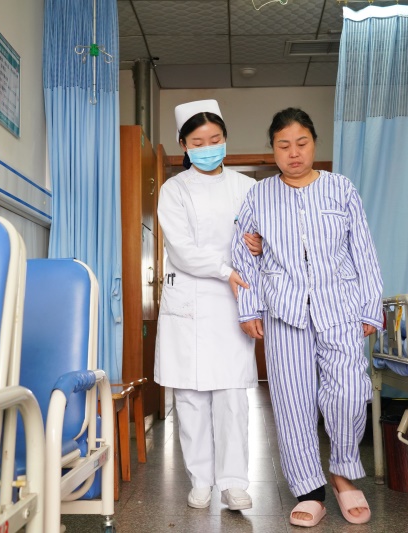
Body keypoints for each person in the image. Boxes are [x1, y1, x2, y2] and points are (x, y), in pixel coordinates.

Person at [231, 108, 383, 527]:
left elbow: (363, 250)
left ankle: (342, 472)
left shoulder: (340, 188)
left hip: (341, 307)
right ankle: (310, 491)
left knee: (350, 392)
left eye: (302, 143)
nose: (294, 153)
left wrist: (370, 307)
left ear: (314, 143)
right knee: (292, 402)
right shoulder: (259, 195)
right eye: (284, 145)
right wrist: (249, 307)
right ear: (273, 150)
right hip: (285, 311)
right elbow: (243, 252)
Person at [154, 99, 260, 512]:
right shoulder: (174, 190)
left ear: (226, 139)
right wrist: (224, 269)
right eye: (198, 142)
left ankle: (233, 484)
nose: (208, 147)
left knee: (232, 396)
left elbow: (263, 239)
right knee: (190, 397)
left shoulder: (247, 188)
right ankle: (200, 480)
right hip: (190, 299)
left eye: (215, 139)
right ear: (183, 145)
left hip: (232, 302)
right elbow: (181, 250)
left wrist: (260, 245)